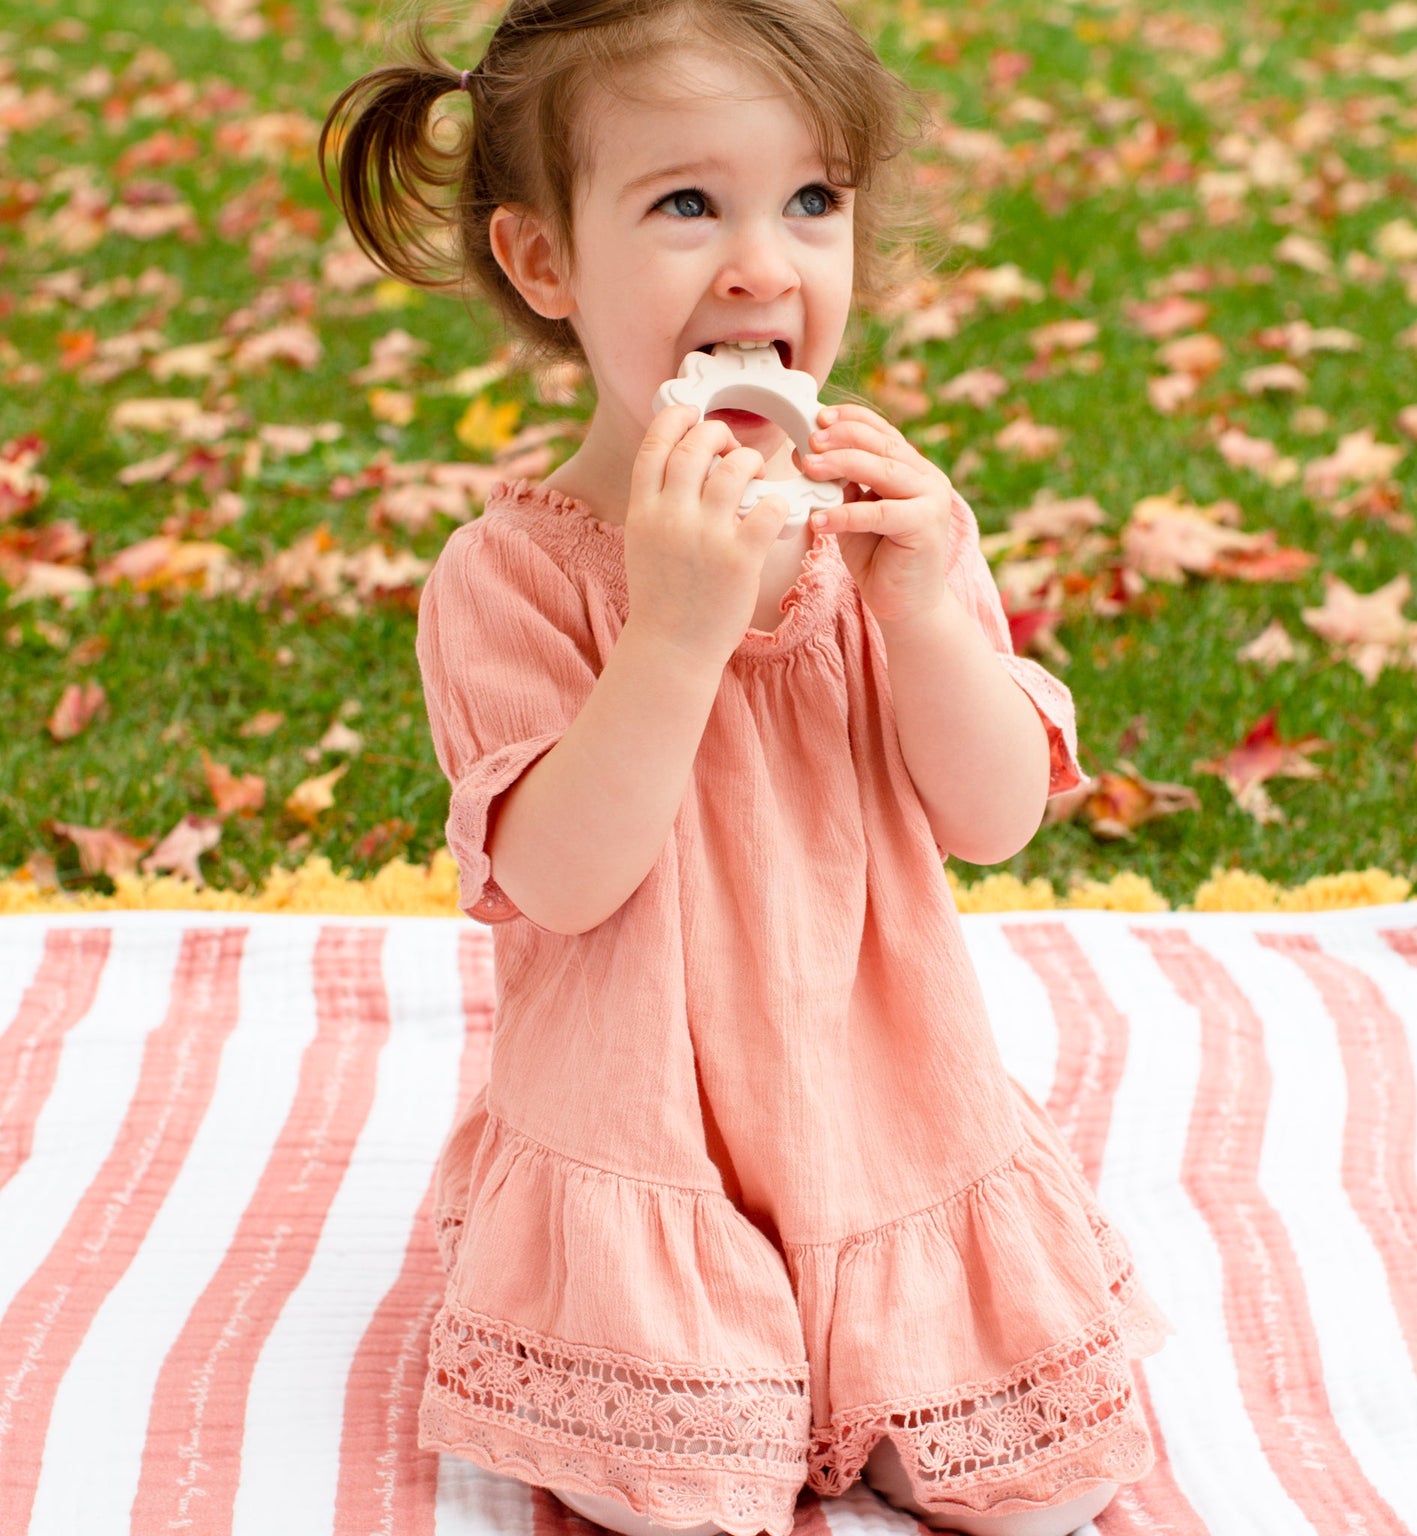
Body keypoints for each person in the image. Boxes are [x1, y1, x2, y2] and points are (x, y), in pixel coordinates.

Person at [319, 4, 1171, 1535]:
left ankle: (879, 1330)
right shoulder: (508, 577)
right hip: (643, 1127)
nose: (763, 265)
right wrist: (675, 635)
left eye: (812, 201)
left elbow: (988, 823)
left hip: (885, 1113)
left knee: (1036, 1488)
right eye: (687, 203)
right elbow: (561, 882)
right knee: (681, 1498)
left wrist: (923, 609)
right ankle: (707, 1341)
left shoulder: (889, 528)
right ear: (544, 262)